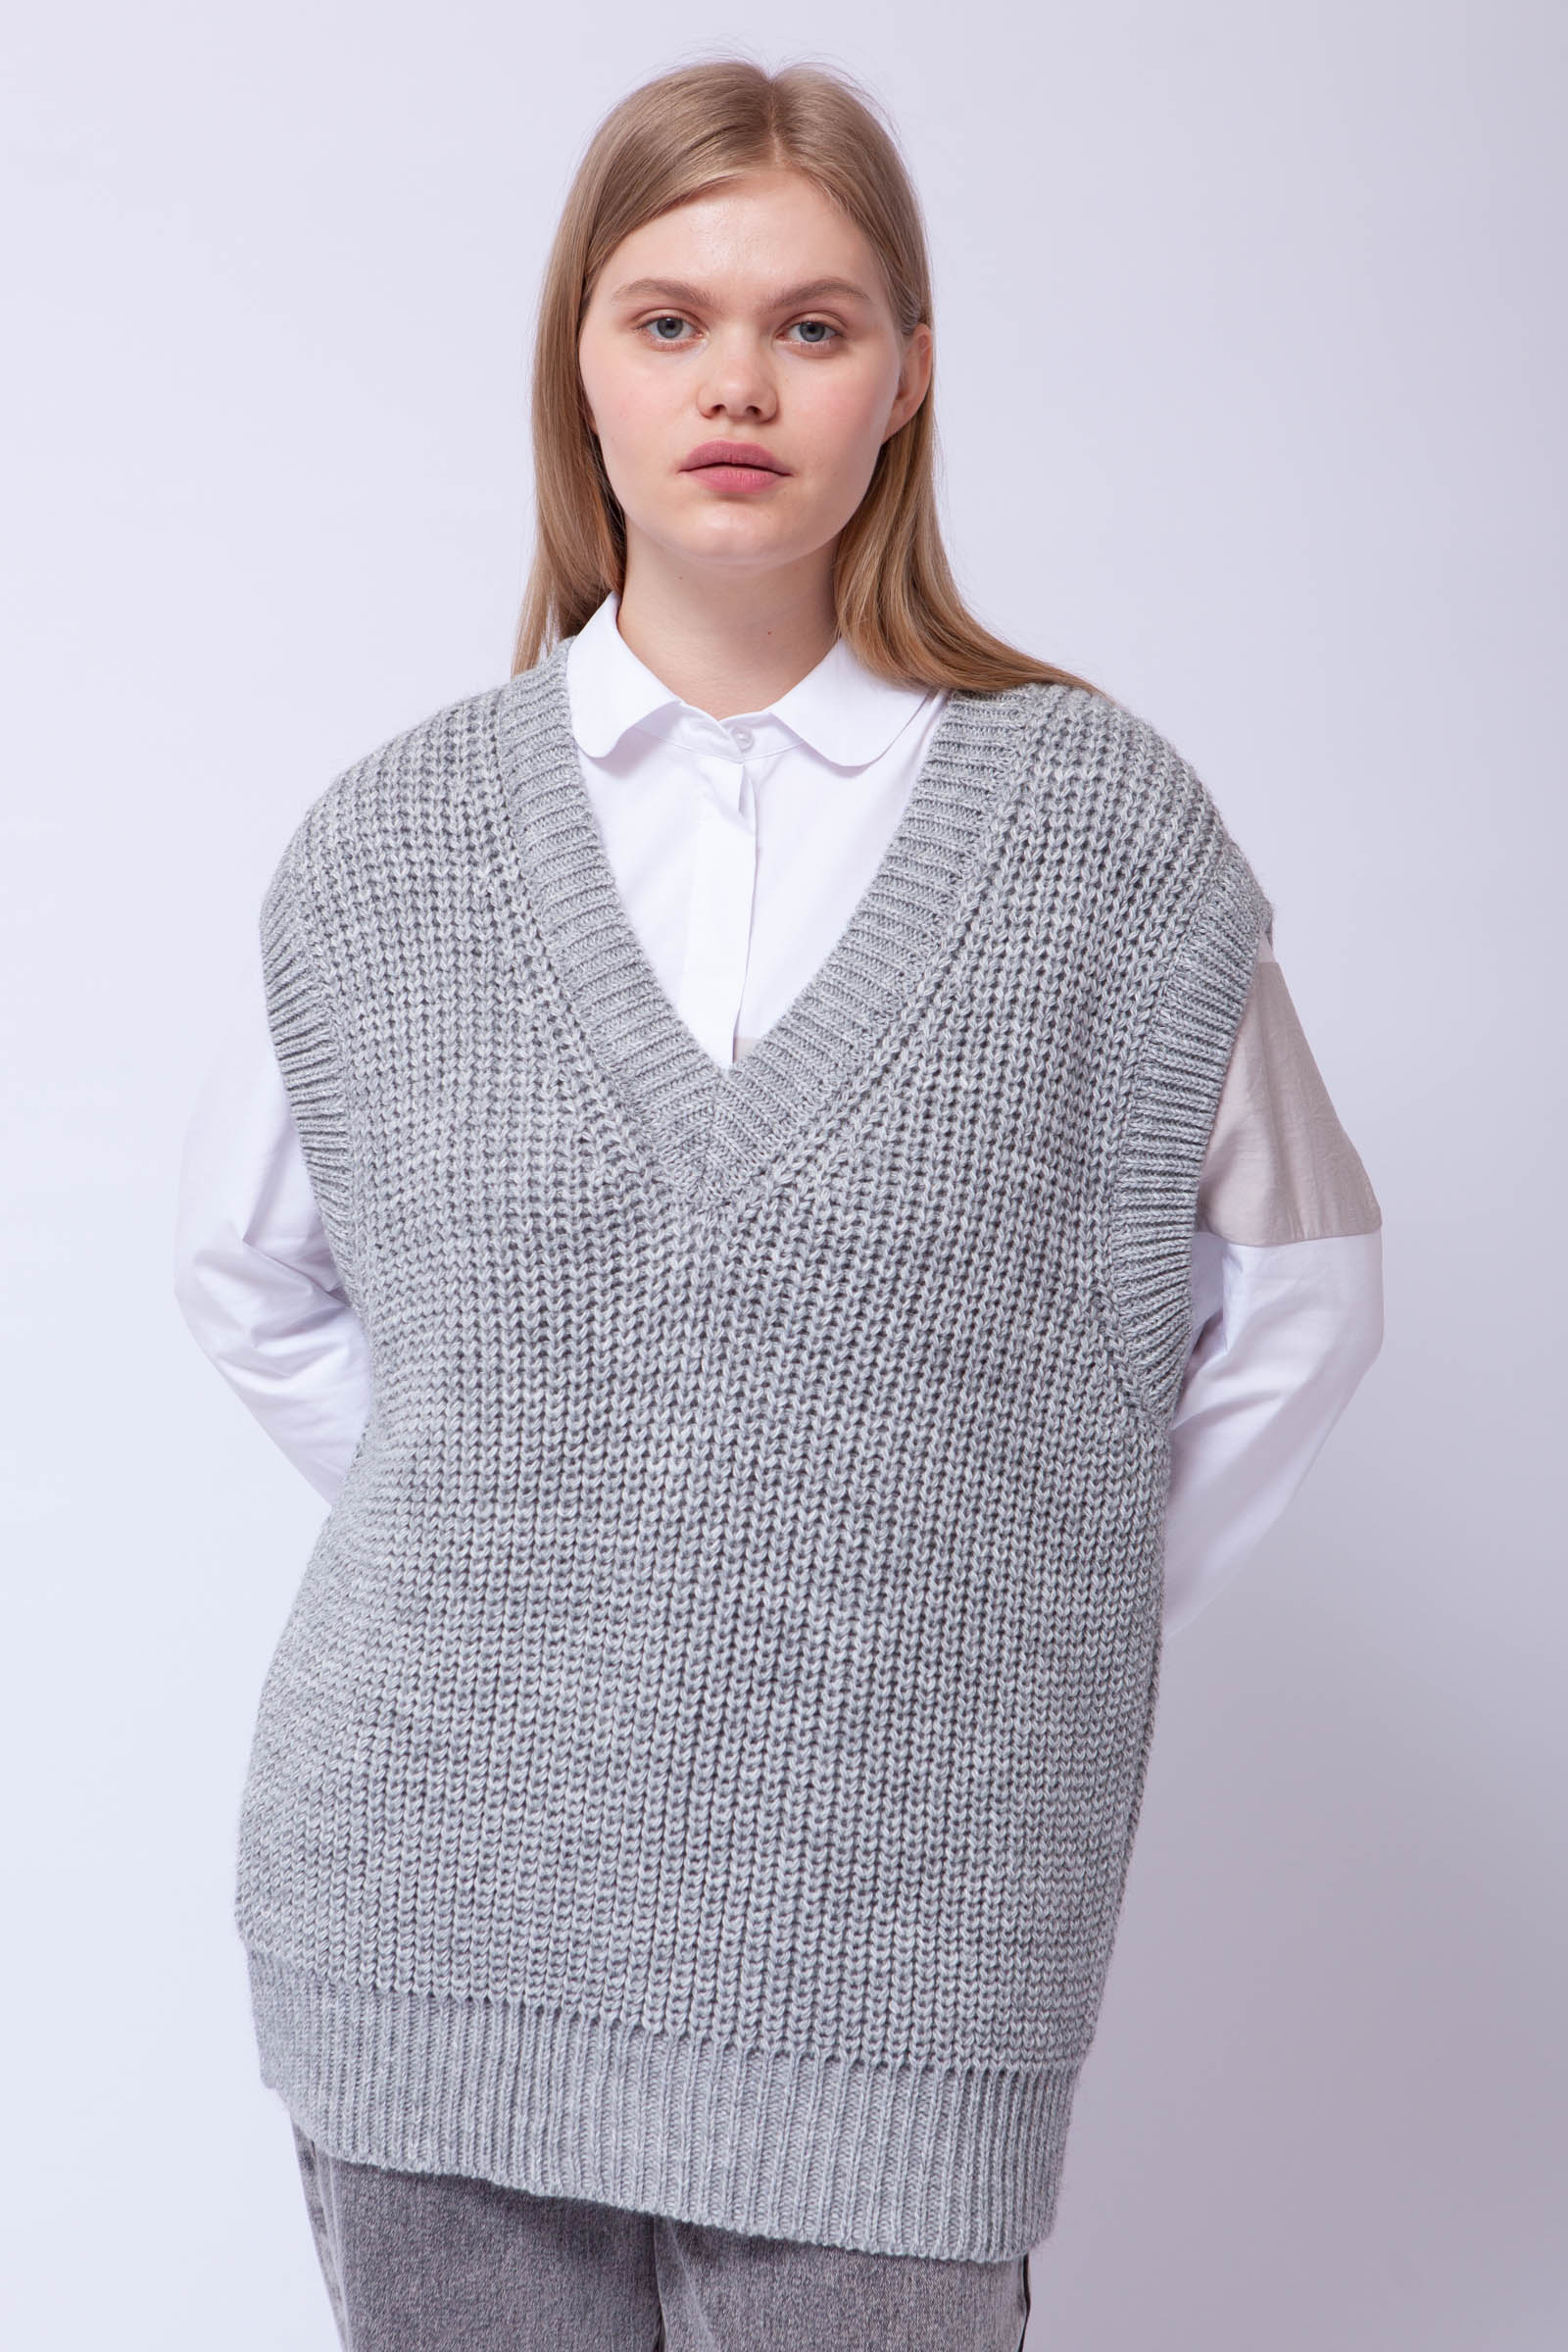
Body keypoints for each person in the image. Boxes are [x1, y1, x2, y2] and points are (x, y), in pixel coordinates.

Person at [173, 55, 1383, 2352]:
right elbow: (246, 1275)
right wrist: (544, 1533)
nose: (736, 382)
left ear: (904, 376)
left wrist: (1011, 1600)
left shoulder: (1101, 835)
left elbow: (1306, 1290)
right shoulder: (390, 849)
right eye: (669, 320)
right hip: (428, 1895)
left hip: (907, 1935)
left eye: (809, 326)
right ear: (581, 365)